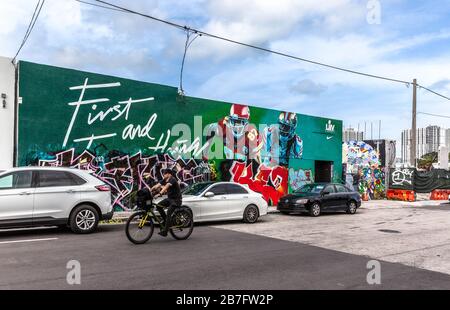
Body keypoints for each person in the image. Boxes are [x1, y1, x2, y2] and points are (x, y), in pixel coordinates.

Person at [150, 169, 182, 237]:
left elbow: (166, 186)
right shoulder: (164, 180)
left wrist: (160, 193)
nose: (163, 175)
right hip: (170, 199)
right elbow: (157, 185)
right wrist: (150, 190)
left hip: (176, 200)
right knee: (158, 206)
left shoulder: (172, 179)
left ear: (169, 174)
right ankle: (165, 221)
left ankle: (165, 231)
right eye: (163, 173)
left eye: (165, 173)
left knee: (169, 213)